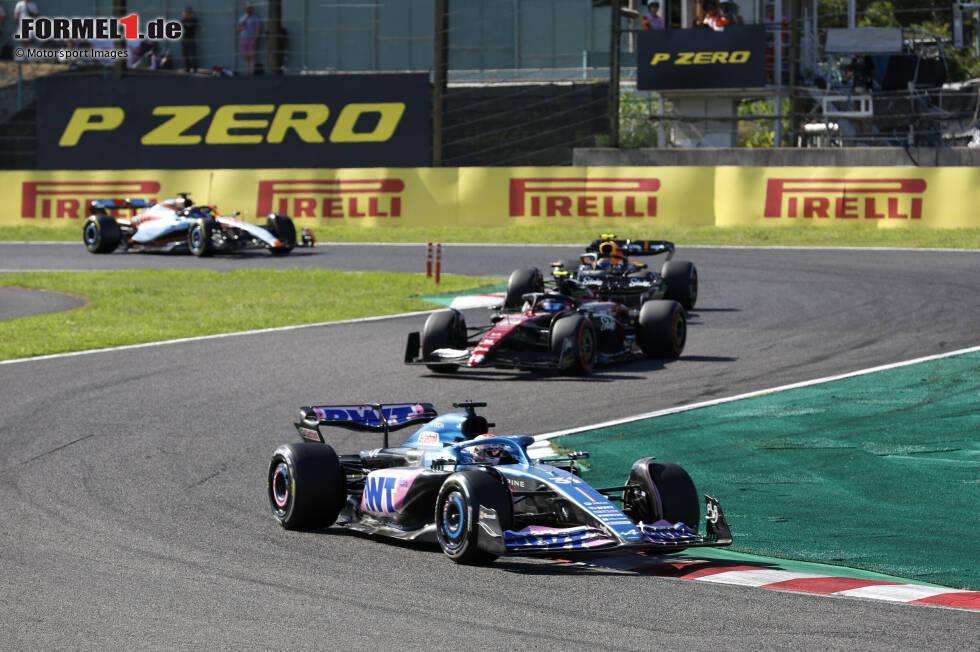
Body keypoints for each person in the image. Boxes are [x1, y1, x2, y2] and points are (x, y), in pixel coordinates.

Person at [237, 3, 261, 75]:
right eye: (247, 8)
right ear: (245, 9)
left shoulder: (255, 17)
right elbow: (237, 28)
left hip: (251, 39)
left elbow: (258, 28)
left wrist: (256, 38)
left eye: (249, 8)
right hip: (243, 39)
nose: (248, 9)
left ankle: (252, 72)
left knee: (252, 56)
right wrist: (242, 28)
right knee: (246, 56)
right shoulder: (241, 18)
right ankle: (248, 72)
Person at [181, 6, 199, 73]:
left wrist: (190, 19)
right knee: (185, 54)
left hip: (191, 39)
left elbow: (193, 27)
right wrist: (185, 17)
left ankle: (194, 68)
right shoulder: (183, 20)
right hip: (185, 39)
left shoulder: (194, 20)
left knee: (193, 54)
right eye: (187, 12)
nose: (188, 14)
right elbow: (183, 26)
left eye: (189, 13)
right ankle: (187, 68)